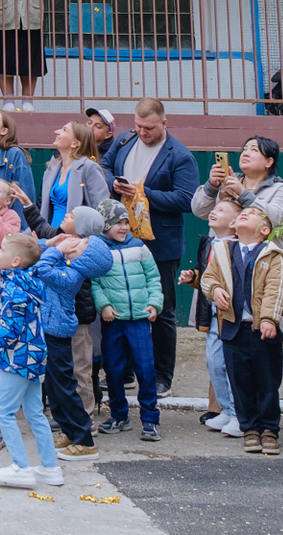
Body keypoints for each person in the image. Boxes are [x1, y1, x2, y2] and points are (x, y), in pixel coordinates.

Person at [99, 97, 198, 393]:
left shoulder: (180, 156)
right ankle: (125, 372)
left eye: (149, 128)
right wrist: (113, 183)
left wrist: (143, 194)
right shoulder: (126, 139)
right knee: (122, 304)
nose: (142, 132)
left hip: (160, 243)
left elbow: (187, 199)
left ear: (164, 123)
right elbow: (104, 164)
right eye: (138, 126)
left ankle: (162, 376)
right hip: (121, 237)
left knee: (162, 309)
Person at [202, 202, 283, 456]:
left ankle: (269, 429)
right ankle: (249, 428)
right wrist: (215, 290)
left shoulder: (272, 254)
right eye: (242, 214)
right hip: (233, 328)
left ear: (264, 230)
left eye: (251, 215)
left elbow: (276, 289)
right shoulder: (223, 251)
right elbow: (209, 278)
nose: (244, 215)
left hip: (262, 330)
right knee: (240, 382)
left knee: (268, 382)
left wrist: (269, 319)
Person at [30, 206, 114, 459]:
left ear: (85, 260)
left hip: (58, 334)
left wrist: (56, 250)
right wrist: (50, 244)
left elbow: (41, 269)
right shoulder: (65, 263)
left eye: (80, 245)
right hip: (49, 331)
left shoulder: (72, 275)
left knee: (65, 387)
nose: (73, 244)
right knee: (54, 388)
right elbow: (35, 255)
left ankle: (85, 441)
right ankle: (68, 430)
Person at [0, 231, 63, 489]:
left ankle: (20, 467)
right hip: (34, 356)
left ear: (16, 261)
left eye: (3, 250)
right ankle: (50, 467)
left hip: (17, 359)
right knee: (35, 413)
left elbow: (10, 332)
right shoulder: (30, 282)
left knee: (4, 412)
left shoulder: (11, 288)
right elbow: (19, 323)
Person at [91, 198, 162, 441]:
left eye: (125, 222)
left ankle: (150, 419)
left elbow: (153, 277)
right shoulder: (98, 249)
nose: (123, 227)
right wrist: (104, 305)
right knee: (113, 369)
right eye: (117, 223)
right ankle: (119, 414)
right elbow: (95, 283)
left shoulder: (139, 247)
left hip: (139, 319)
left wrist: (154, 303)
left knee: (146, 368)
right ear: (104, 225)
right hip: (113, 321)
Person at [183, 196, 244, 437]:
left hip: (229, 314)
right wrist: (194, 278)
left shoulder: (238, 246)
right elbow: (208, 276)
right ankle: (227, 410)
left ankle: (239, 414)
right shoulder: (209, 244)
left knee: (231, 365)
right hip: (211, 314)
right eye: (215, 208)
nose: (214, 211)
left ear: (235, 223)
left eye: (222, 210)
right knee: (214, 362)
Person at [192, 135, 283, 229]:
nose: (245, 154)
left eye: (254, 150)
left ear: (269, 162)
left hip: (260, 244)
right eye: (244, 149)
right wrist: (211, 186)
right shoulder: (227, 181)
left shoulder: (278, 188)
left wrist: (243, 193)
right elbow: (199, 211)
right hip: (222, 243)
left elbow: (281, 220)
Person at [28, 120, 110, 235]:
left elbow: (102, 209)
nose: (56, 132)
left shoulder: (89, 167)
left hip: (75, 239)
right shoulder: (52, 168)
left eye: (64, 130)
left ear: (75, 143)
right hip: (49, 236)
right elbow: (42, 210)